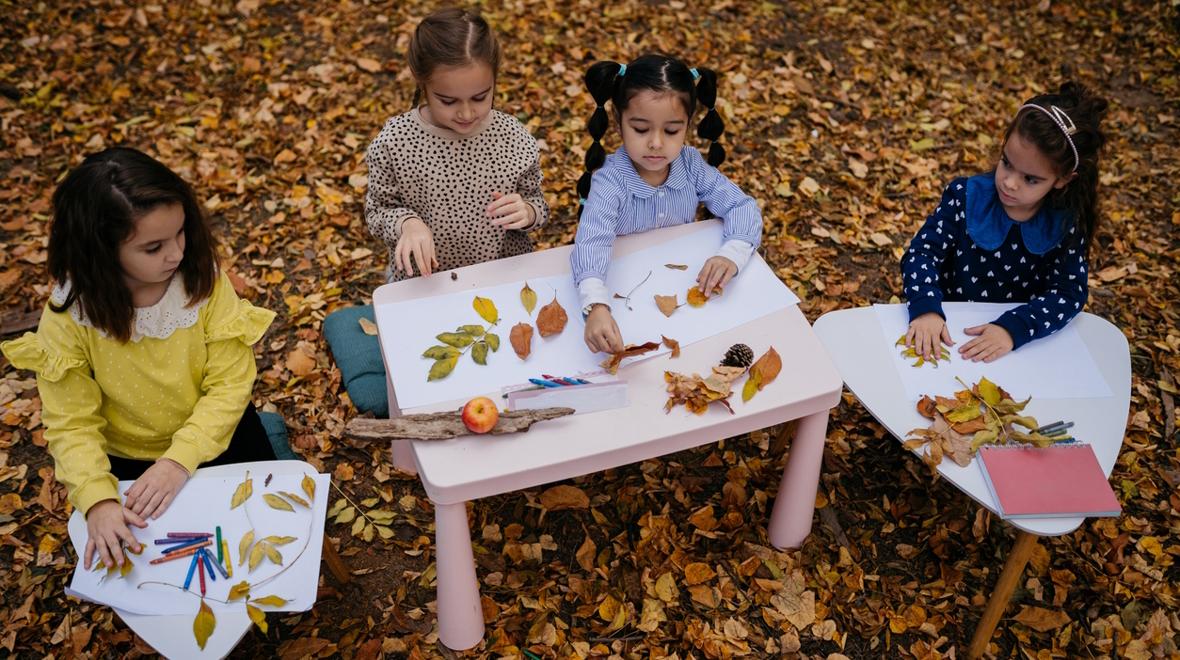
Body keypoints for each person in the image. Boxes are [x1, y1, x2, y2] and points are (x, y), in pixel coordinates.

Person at [0, 147, 277, 570]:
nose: (176, 254)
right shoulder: (71, 316)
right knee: (156, 567)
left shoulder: (202, 282)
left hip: (218, 434)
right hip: (126, 458)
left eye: (181, 232)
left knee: (260, 535)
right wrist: (96, 498)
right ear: (101, 251)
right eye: (153, 247)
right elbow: (70, 421)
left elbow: (230, 384)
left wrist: (178, 460)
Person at [902, 82, 1109, 363]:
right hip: (948, 331)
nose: (1010, 183)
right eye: (1006, 163)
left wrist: (1015, 329)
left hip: (1016, 352)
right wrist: (926, 307)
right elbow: (922, 253)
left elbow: (1068, 292)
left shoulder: (1064, 225)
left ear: (1062, 180)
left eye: (1030, 179)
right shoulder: (965, 196)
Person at [570, 54, 762, 354]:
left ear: (687, 125)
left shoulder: (691, 166)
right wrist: (595, 305)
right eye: (641, 129)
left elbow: (741, 206)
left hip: (683, 293)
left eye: (671, 130)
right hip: (628, 299)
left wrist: (731, 254)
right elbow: (591, 243)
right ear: (619, 121)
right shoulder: (610, 182)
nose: (657, 143)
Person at [364, 7, 549, 282]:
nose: (466, 113)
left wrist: (528, 212)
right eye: (448, 101)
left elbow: (538, 204)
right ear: (421, 80)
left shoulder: (513, 137)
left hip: (500, 277)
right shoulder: (395, 143)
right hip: (426, 281)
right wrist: (407, 224)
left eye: (480, 97)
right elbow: (378, 210)